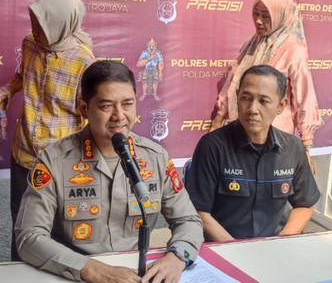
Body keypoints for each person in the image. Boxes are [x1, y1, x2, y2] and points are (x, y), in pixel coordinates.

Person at [15, 60, 203, 282]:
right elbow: (28, 238)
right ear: (84, 108)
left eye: (127, 104)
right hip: (74, 272)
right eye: (106, 106)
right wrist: (89, 269)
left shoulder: (155, 157)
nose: (119, 116)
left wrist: (177, 257)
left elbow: (188, 220)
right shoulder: (54, 161)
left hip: (137, 273)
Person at [0, 0, 95, 258]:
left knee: (59, 228)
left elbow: (89, 112)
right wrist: (4, 92)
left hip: (61, 161)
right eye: (33, 22)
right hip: (23, 152)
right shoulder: (29, 44)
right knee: (21, 222)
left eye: (42, 26)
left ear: (62, 25)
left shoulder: (84, 61)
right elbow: (22, 76)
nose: (34, 30)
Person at [186, 65, 320, 242]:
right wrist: (235, 248)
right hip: (223, 248)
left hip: (273, 249)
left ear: (281, 106)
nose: (252, 109)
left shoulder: (292, 148)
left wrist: (282, 240)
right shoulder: (212, 146)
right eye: (246, 98)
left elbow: (305, 204)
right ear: (237, 97)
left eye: (263, 101)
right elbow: (198, 211)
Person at [209, 0, 322, 174]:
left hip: (275, 138)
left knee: (270, 187)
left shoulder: (293, 51)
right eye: (256, 14)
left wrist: (306, 147)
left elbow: (304, 98)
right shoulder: (250, 44)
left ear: (281, 16)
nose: (259, 21)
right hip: (243, 130)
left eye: (266, 15)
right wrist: (218, 119)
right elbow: (233, 83)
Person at [136, 37, 164, 102]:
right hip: (146, 70)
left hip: (154, 70)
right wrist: (149, 58)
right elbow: (138, 64)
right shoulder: (144, 53)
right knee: (144, 81)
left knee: (155, 82)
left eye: (153, 46)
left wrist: (160, 72)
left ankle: (155, 94)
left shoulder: (158, 53)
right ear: (147, 44)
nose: (151, 48)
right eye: (150, 46)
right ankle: (144, 94)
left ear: (156, 45)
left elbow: (161, 63)